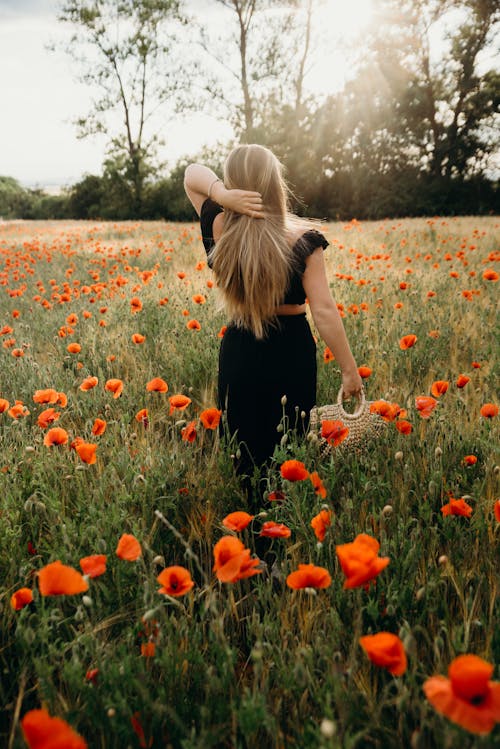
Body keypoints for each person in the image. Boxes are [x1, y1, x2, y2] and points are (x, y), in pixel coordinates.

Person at [184, 144, 362, 499]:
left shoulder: (219, 227)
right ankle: (282, 529)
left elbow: (192, 175)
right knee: (289, 444)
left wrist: (221, 195)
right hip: (291, 349)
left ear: (235, 184)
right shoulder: (302, 239)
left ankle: (251, 532)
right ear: (275, 183)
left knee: (245, 448)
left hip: (240, 347)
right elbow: (324, 310)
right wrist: (349, 370)